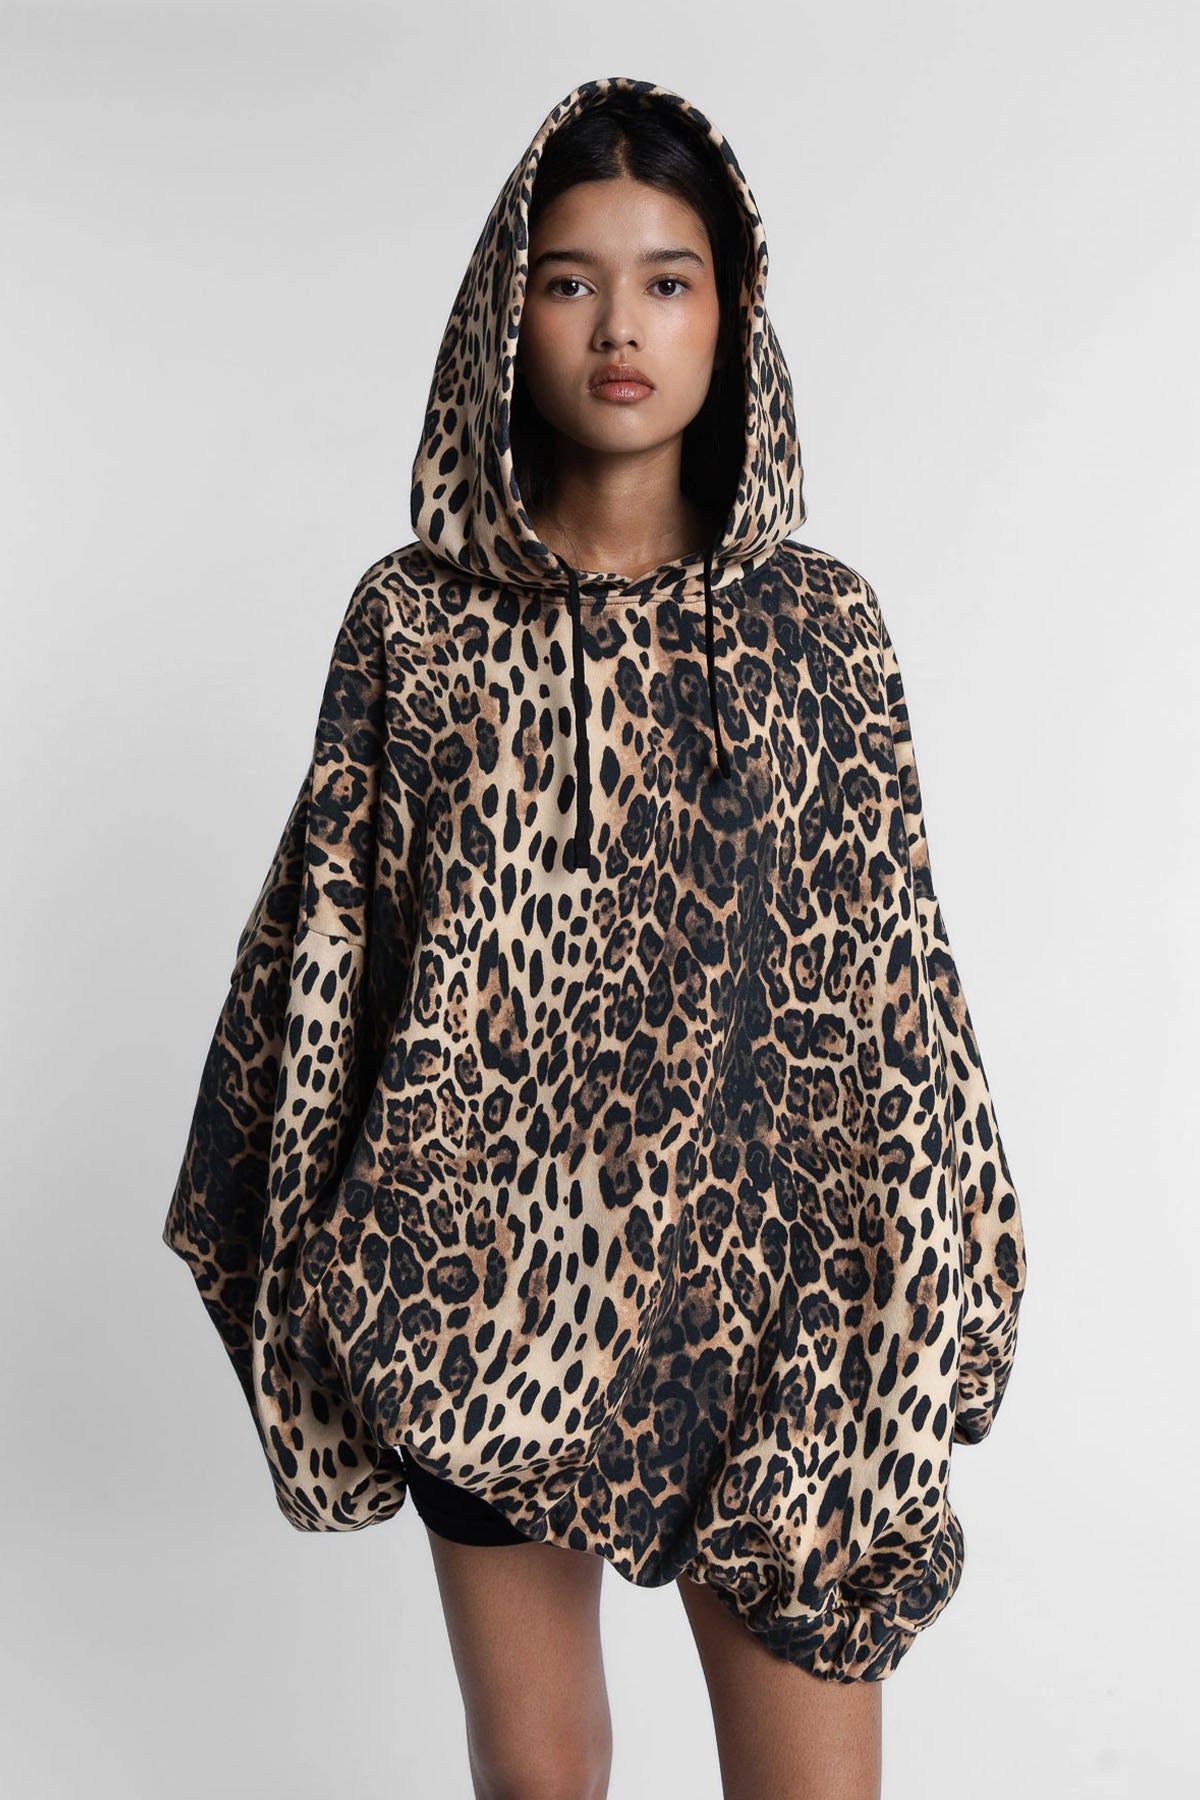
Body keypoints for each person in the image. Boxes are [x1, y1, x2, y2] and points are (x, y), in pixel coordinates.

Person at [163, 75, 1027, 1800]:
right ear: (509, 310)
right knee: (542, 1780)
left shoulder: (824, 633)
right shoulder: (411, 630)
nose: (620, 325)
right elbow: (325, 971)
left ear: (731, 313)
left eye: (666, 279)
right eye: (570, 280)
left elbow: (899, 1001)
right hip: (482, 1292)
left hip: (772, 1322)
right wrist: (336, 1255)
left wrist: (947, 1281)